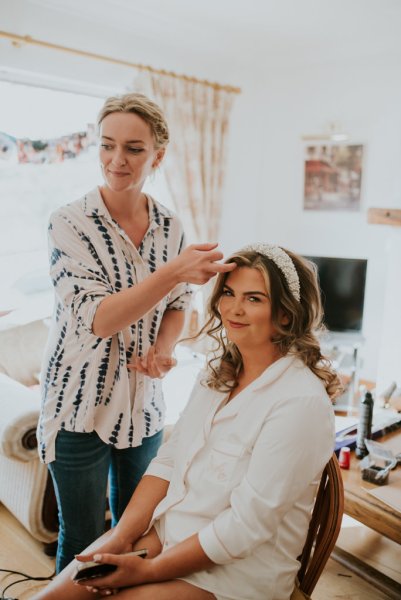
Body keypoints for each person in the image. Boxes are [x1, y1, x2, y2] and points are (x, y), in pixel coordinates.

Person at [34, 243, 341, 600]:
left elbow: (245, 526)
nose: (234, 309)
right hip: (170, 535)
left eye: (254, 299)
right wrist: (120, 536)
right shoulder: (217, 374)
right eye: (229, 293)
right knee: (57, 596)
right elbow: (168, 462)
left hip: (238, 573)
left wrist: (147, 571)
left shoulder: (300, 403)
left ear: (286, 314)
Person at [37, 92, 236, 573]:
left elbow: (177, 304)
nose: (116, 160)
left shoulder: (171, 227)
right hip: (77, 403)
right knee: (83, 536)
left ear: (157, 156)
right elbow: (99, 318)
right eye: (107, 145)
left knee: (136, 531)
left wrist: (164, 349)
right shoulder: (69, 223)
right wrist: (173, 273)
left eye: (133, 148)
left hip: (142, 403)